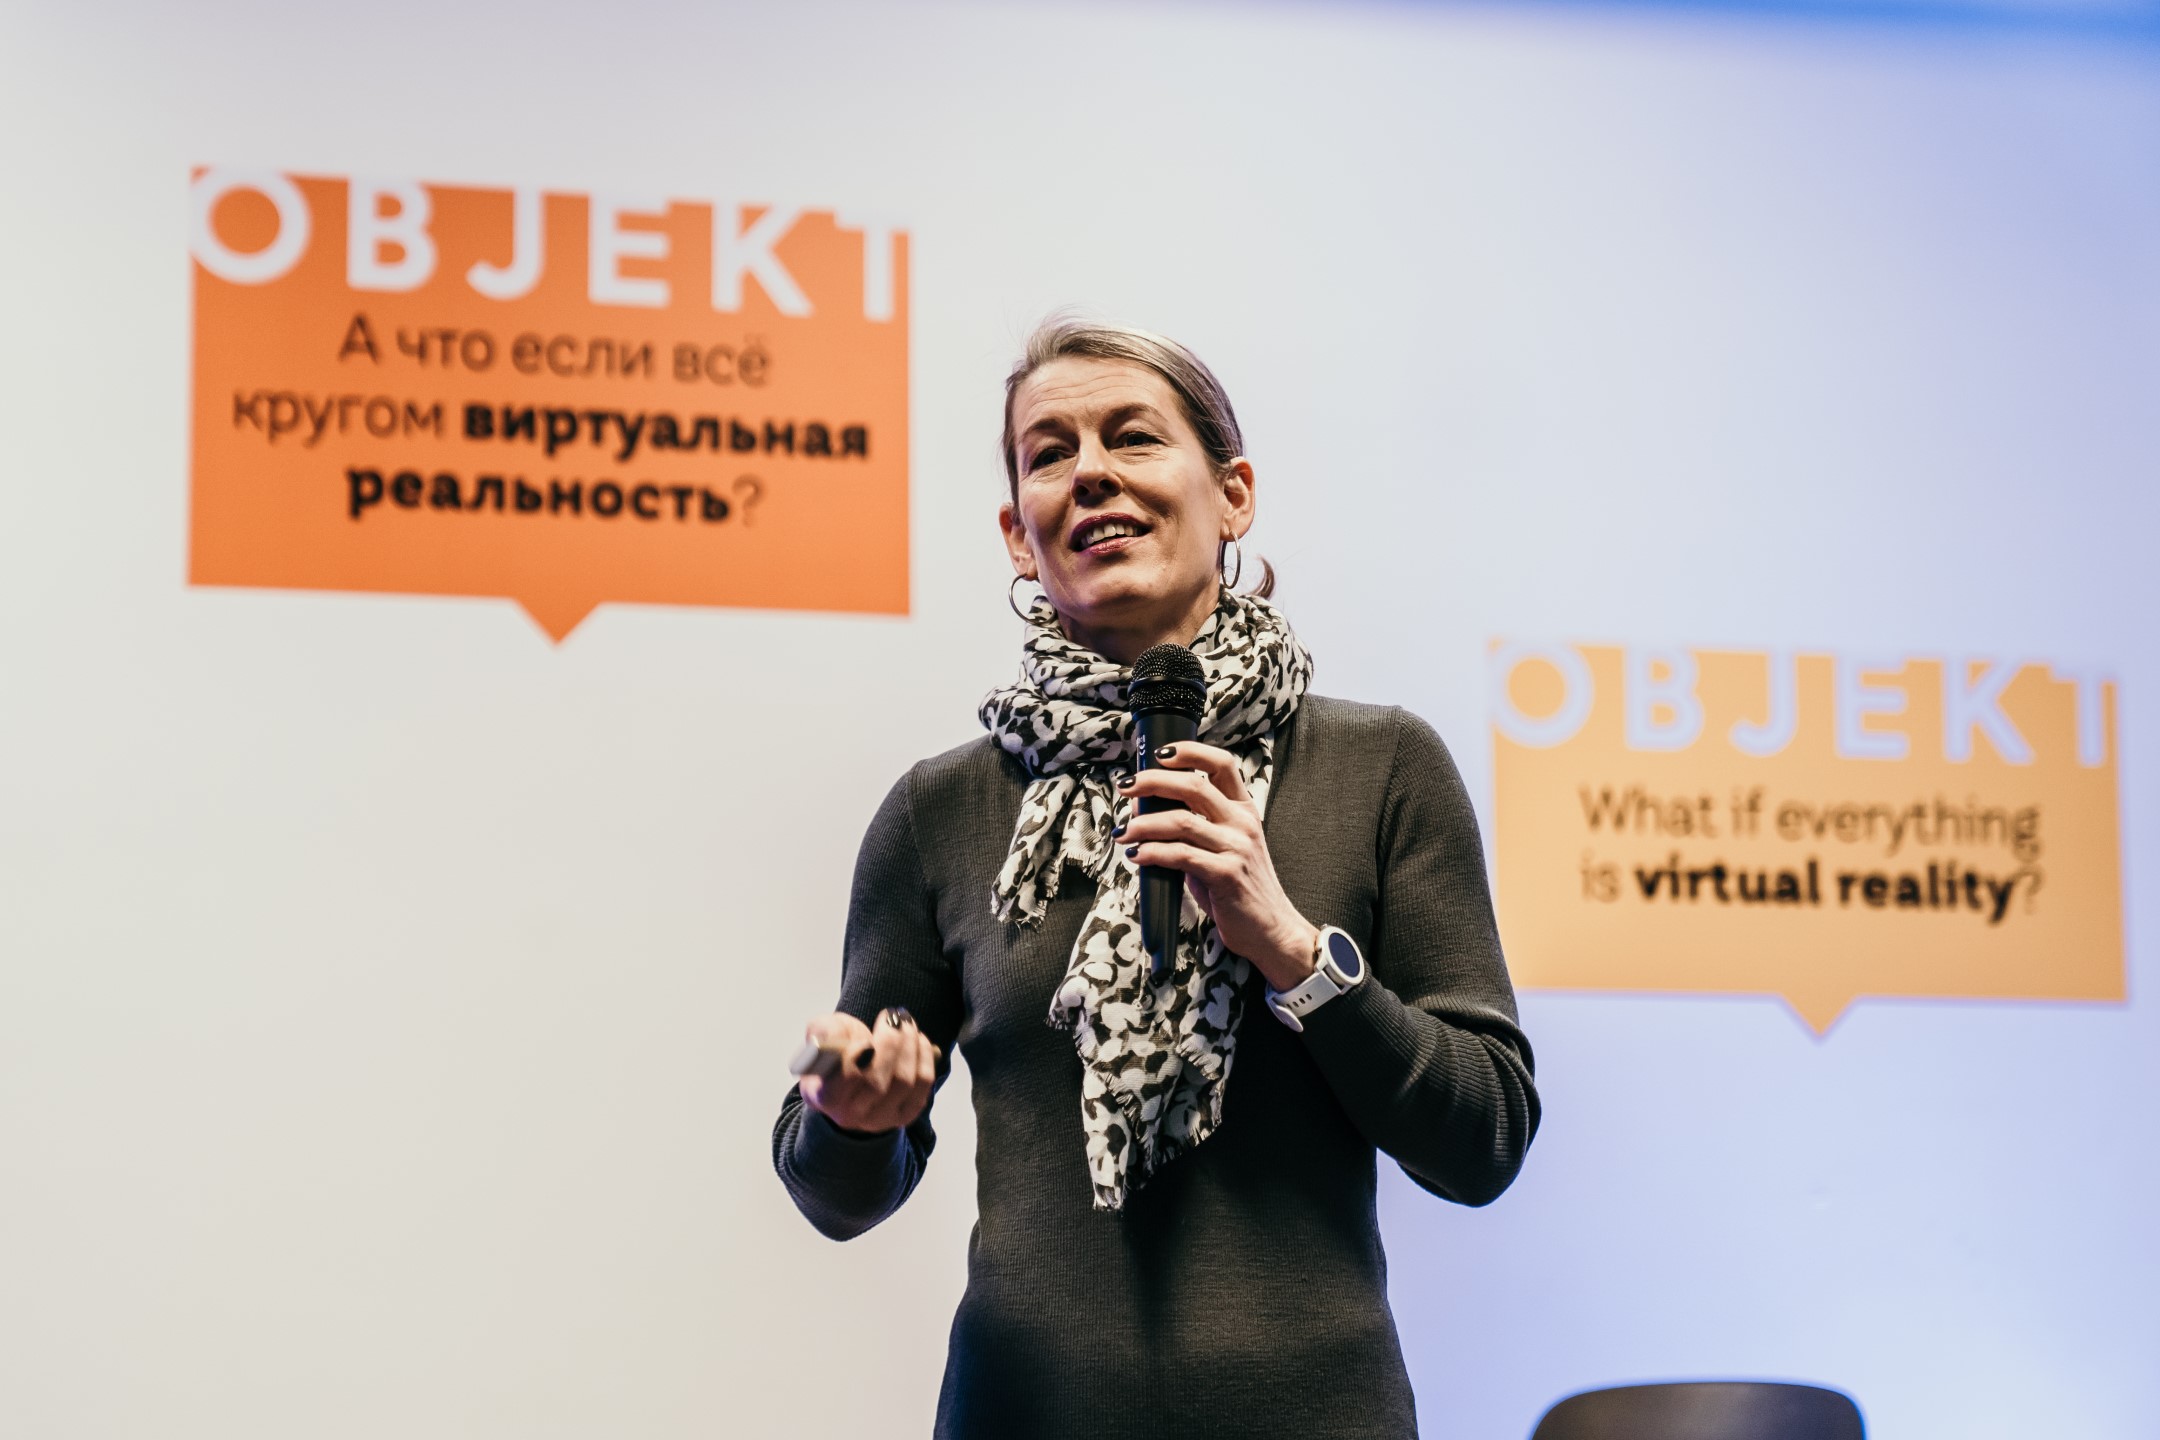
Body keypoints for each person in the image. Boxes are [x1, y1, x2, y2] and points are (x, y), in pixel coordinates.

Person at [772, 317, 1539, 1439]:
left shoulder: (1382, 768)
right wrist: (851, 1120)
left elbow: (1485, 1141)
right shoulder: (941, 812)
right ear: (1018, 534)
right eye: (1049, 453)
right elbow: (836, 1196)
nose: (1090, 472)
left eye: (1132, 437)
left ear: (1233, 496)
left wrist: (1295, 954)